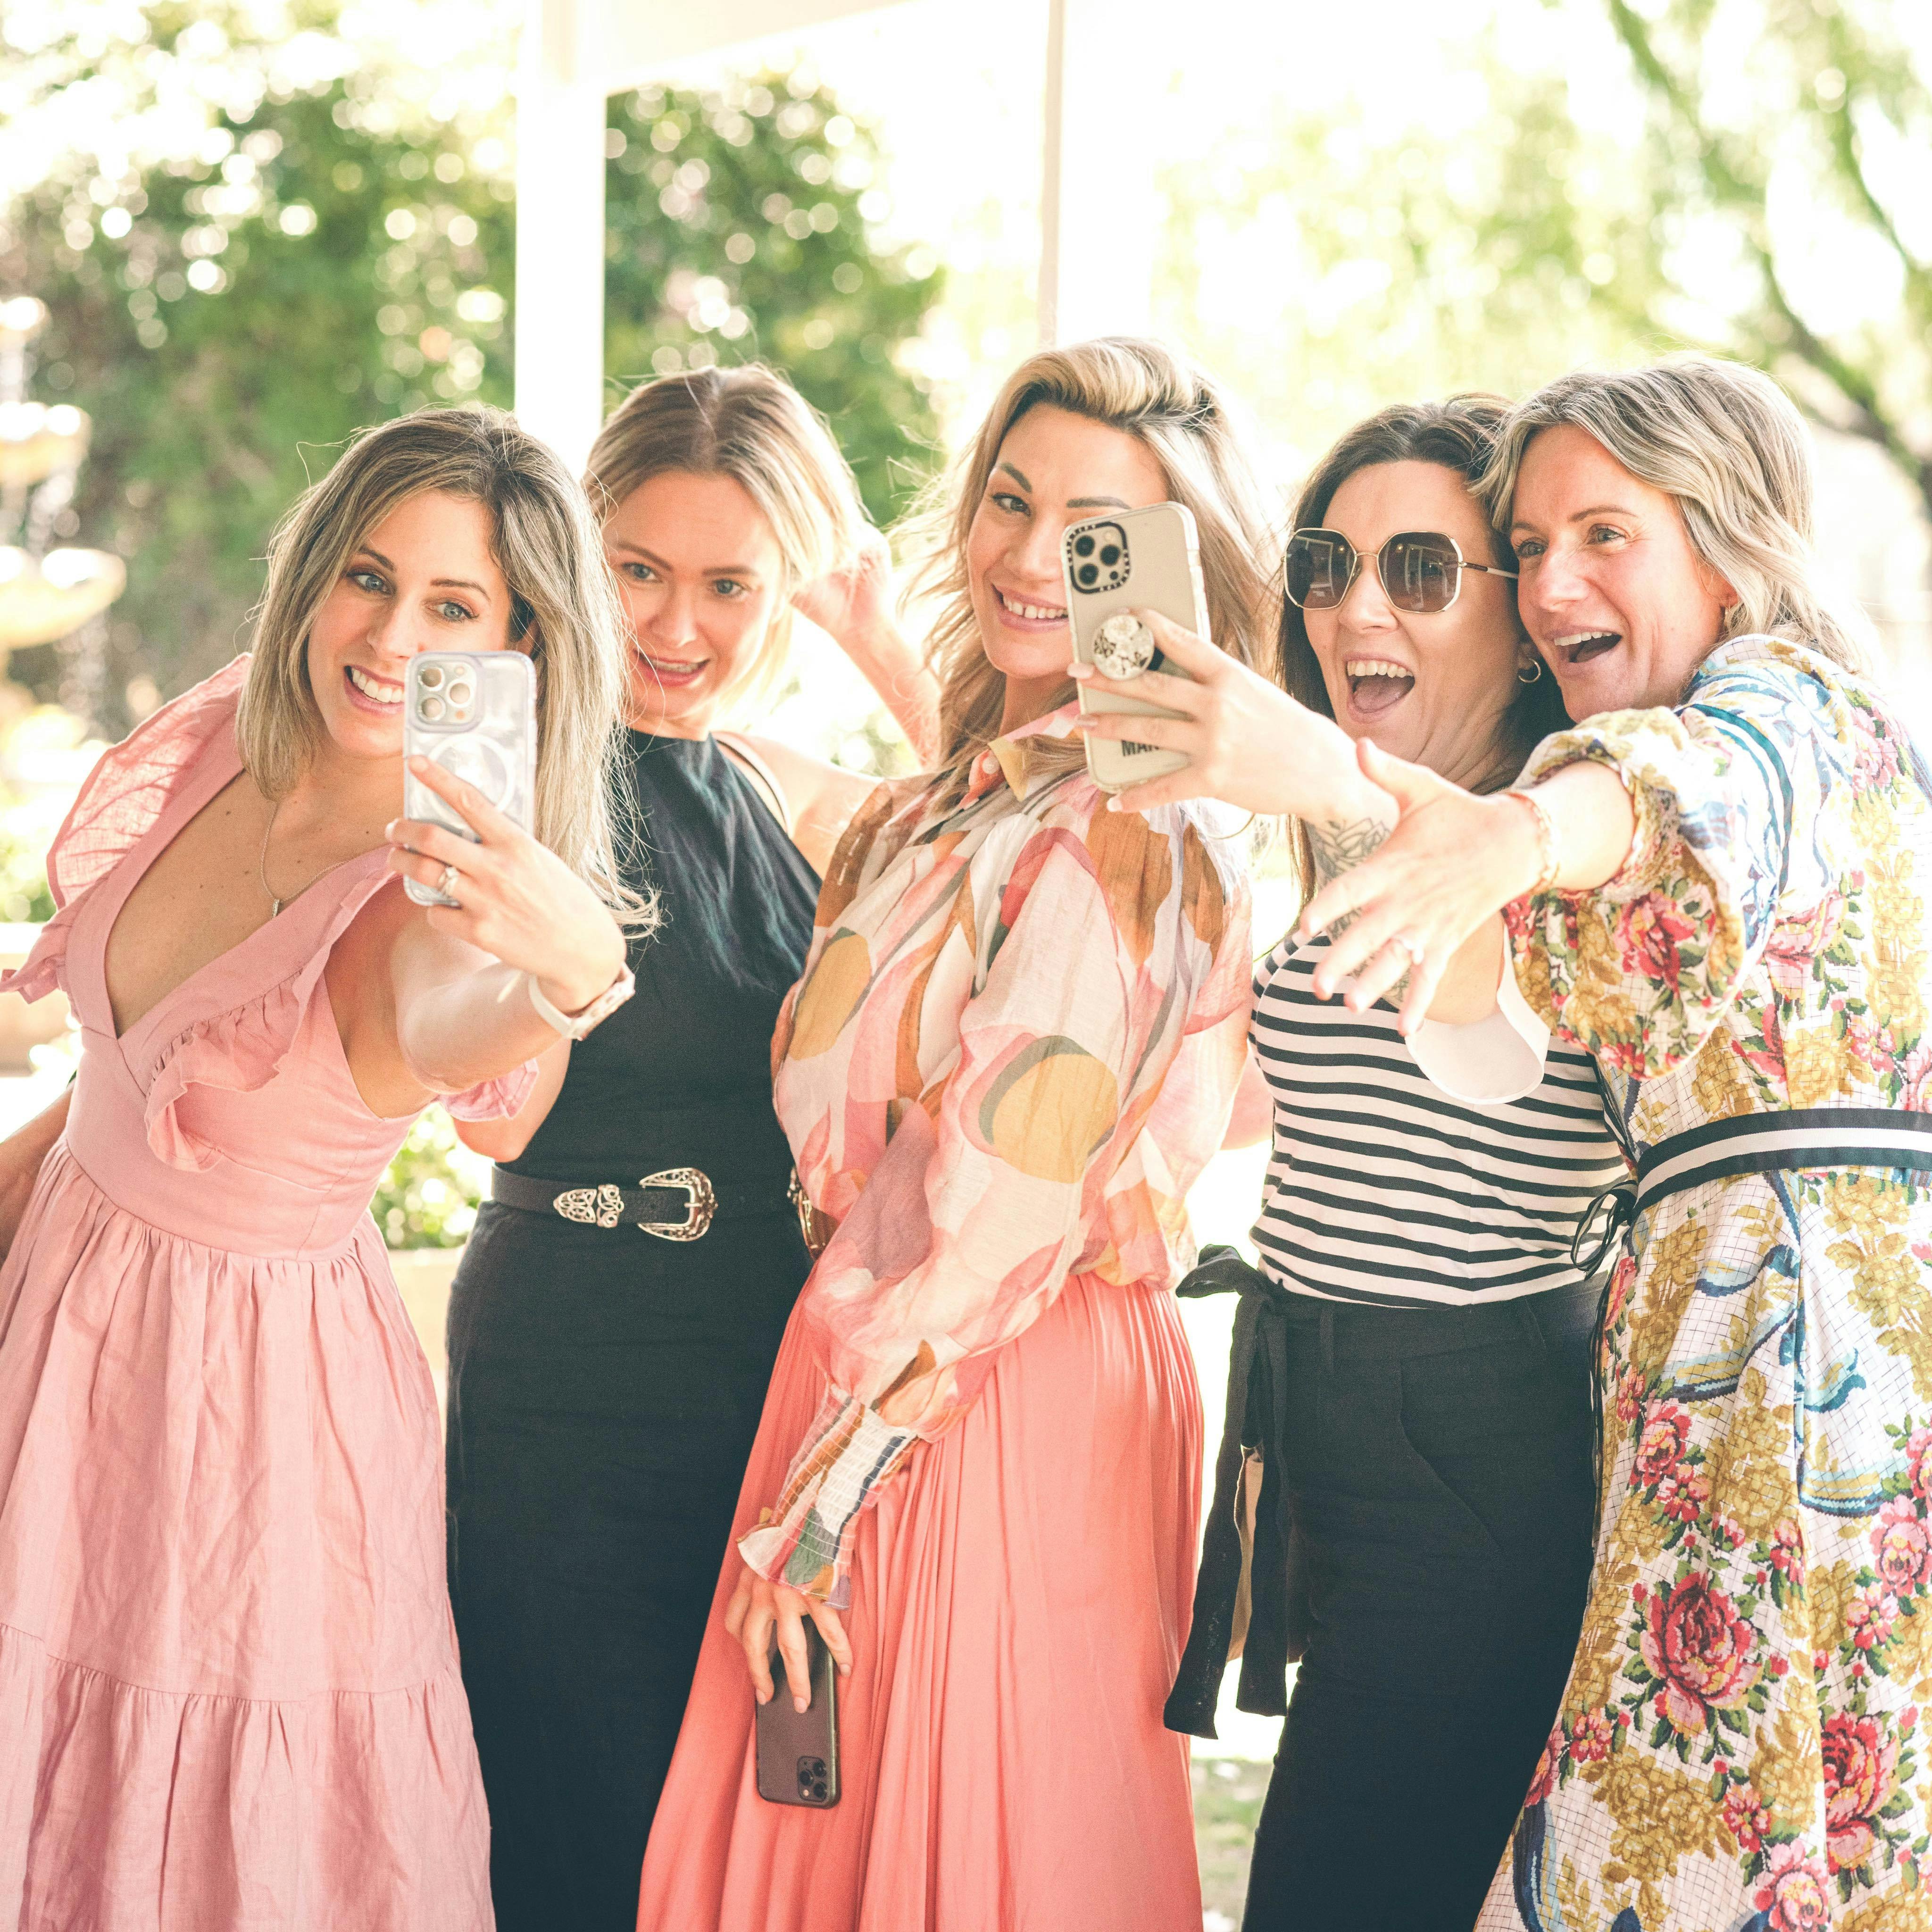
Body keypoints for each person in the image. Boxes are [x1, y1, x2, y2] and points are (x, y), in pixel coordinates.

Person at [634, 337, 1271, 1931]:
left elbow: (1004, 1193)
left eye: (1098, 529)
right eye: (1008, 497)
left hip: (976, 1368)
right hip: (900, 1345)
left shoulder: (1129, 817)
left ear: (1179, 570)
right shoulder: (975, 795)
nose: (1029, 553)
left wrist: (821, 1502)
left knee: (958, 1840)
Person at [1293, 357, 1932, 1932]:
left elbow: (1674, 795)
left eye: (1607, 533)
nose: (1553, 581)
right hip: (1709, 1360)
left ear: (1729, 549)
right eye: (1531, 545)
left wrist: (1511, 833)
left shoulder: (1782, 711)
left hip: (1799, 1373)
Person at [0, 403, 641, 1931]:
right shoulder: (235, 739)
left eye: (454, 608)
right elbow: (119, 1084)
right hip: (57, 1339)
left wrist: (572, 974)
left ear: (525, 647)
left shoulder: (439, 895)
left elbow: (474, 1037)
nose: (387, 635)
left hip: (241, 1424)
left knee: (216, 1822)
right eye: (367, 575)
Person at [1075, 397, 1628, 1931]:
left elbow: (1498, 1063)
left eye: (1419, 571)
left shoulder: (1540, 831)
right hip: (1337, 1423)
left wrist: (1325, 777)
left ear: (1522, 630)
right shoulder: (1357, 831)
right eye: (1326, 561)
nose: (1353, 605)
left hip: (1467, 1439)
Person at [443, 364, 938, 1932]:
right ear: (574, 561)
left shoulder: (798, 803)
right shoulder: (512, 779)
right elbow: (477, 1105)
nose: (677, 627)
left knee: (745, 1838)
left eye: (733, 583)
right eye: (637, 570)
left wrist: (878, 639)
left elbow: (1014, 859)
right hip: (563, 1372)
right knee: (569, 1824)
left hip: (761, 1381)